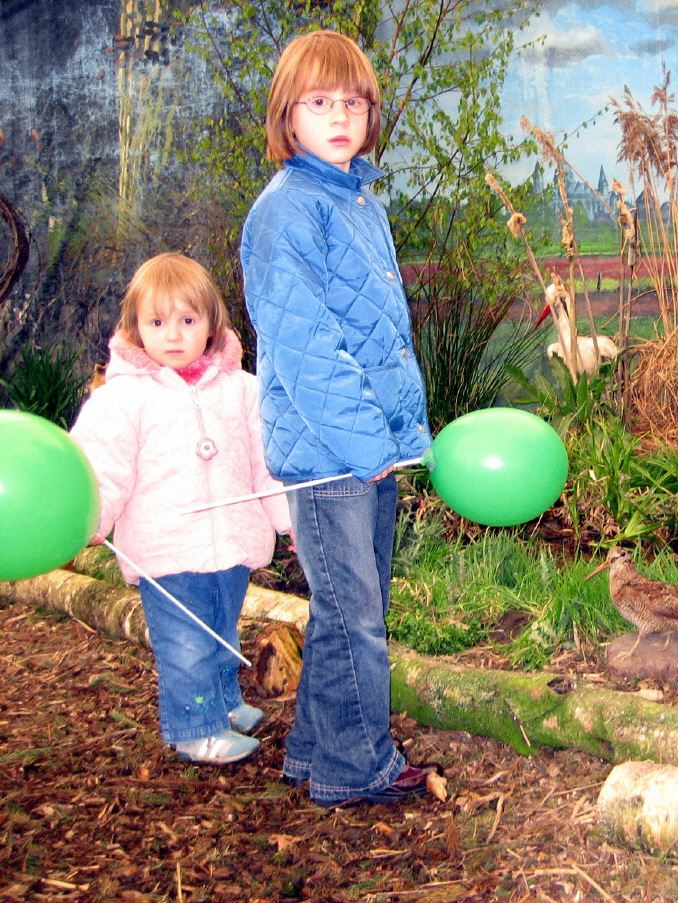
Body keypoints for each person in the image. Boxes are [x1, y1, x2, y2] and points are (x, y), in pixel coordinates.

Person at [240, 30, 437, 808]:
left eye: (353, 102)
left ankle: (317, 749)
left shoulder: (356, 200)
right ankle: (358, 765)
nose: (339, 116)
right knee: (356, 616)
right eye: (320, 101)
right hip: (331, 453)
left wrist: (390, 433)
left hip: (367, 445)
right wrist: (364, 441)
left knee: (349, 608)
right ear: (287, 114)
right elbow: (306, 349)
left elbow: (378, 331)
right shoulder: (286, 212)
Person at [71, 252, 291, 765]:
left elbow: (267, 464)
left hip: (232, 542)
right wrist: (89, 519)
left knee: (220, 630)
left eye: (187, 321)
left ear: (211, 324)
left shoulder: (242, 390)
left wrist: (289, 520)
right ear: (135, 327)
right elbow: (101, 468)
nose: (172, 335)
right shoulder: (121, 400)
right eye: (157, 322)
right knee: (186, 645)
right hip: (166, 549)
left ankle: (223, 702)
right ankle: (196, 729)